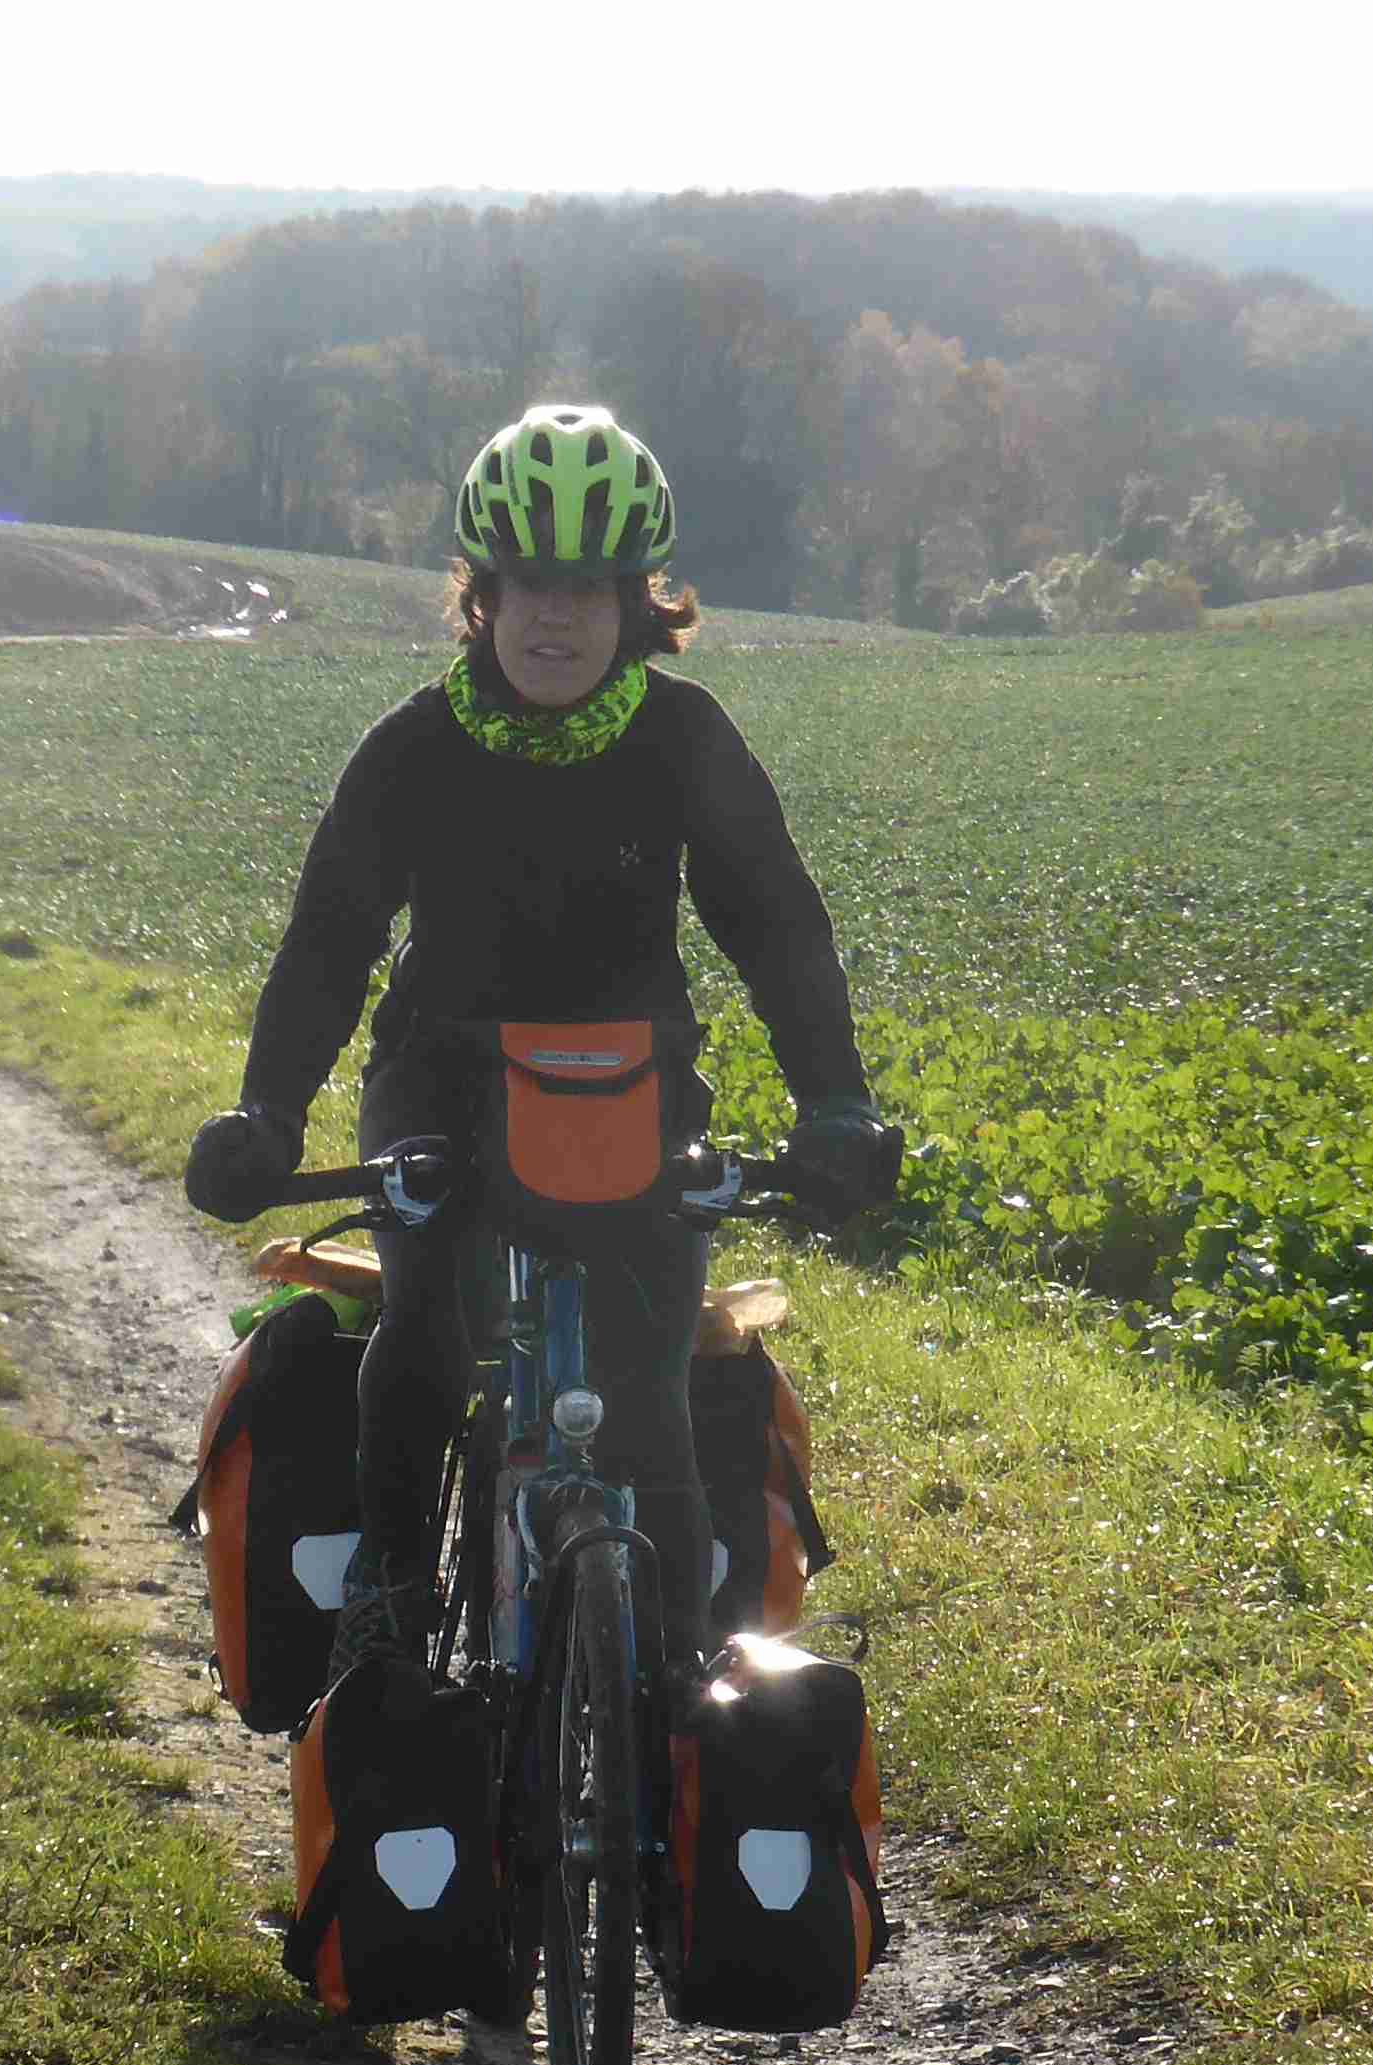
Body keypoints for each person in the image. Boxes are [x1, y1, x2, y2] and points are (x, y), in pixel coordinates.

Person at [182, 402, 900, 1672]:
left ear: (637, 603)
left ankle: (671, 1683)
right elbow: (328, 943)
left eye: (587, 588)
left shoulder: (685, 741)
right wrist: (268, 1115)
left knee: (651, 1395)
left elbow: (780, 928)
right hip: (439, 1085)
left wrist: (834, 1104)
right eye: (526, 586)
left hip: (630, 1093)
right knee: (426, 1331)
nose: (553, 617)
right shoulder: (413, 749)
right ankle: (391, 1605)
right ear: (482, 595)